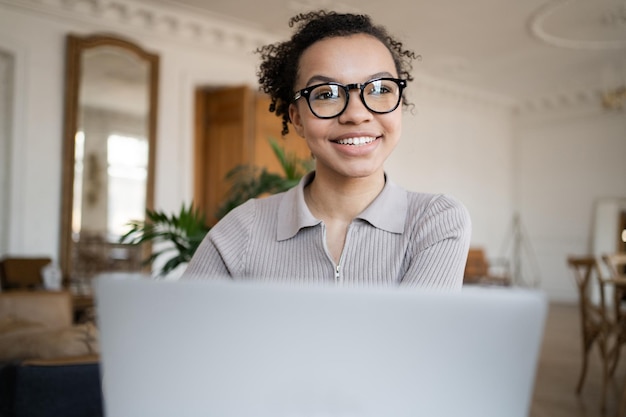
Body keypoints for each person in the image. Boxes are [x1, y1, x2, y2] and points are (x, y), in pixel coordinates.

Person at [183, 10, 471, 288]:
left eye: (380, 89)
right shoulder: (241, 229)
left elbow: (416, 338)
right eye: (326, 94)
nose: (357, 114)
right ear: (297, 118)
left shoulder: (436, 221)